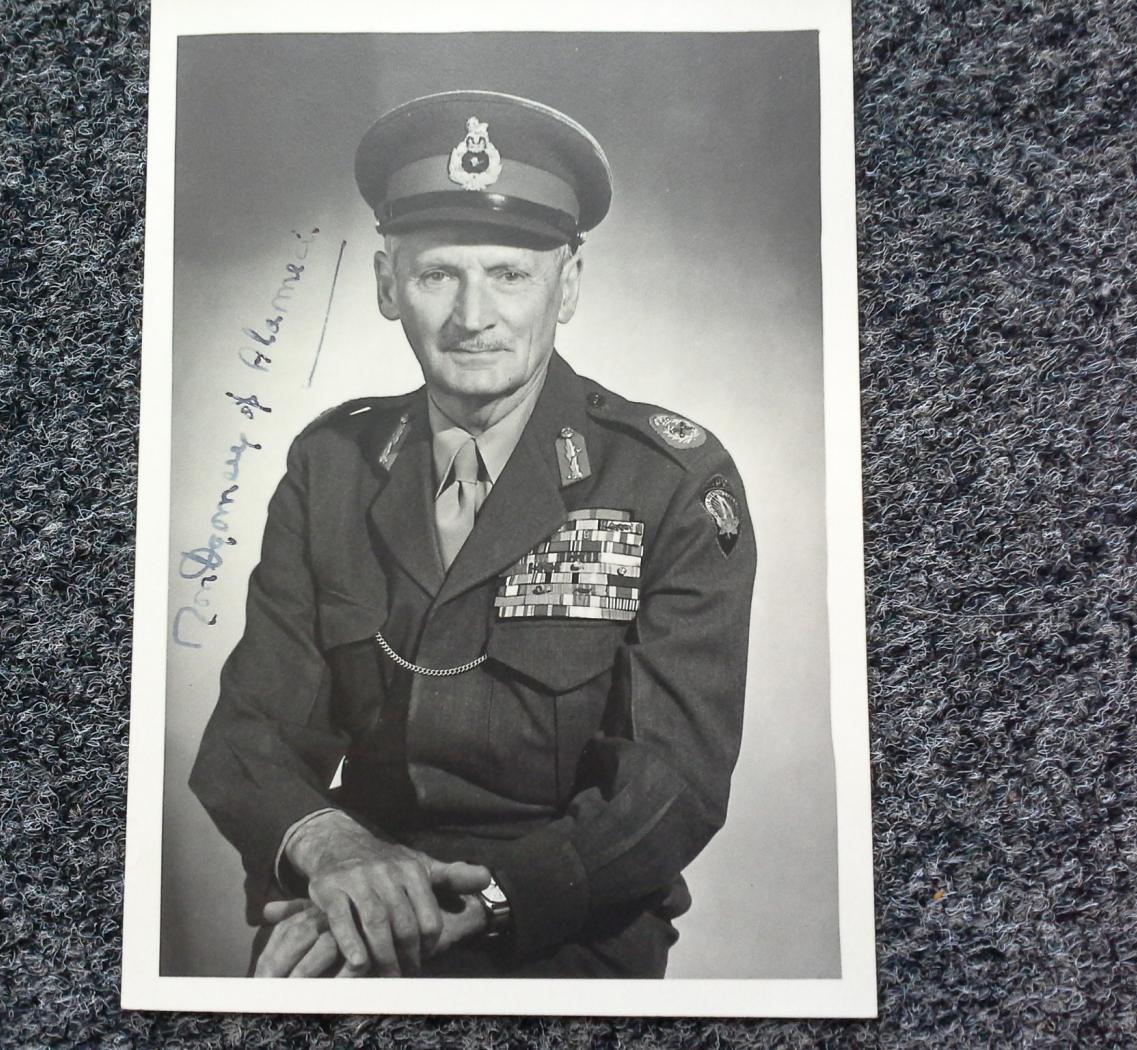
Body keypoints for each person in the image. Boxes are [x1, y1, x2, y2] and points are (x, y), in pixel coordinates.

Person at [189, 90, 757, 979]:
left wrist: (492, 902)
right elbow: (249, 733)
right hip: (355, 900)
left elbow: (670, 790)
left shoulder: (668, 480)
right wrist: (330, 847)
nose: (472, 316)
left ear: (567, 286)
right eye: (437, 274)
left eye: (511, 274)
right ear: (387, 285)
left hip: (563, 920)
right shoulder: (331, 464)